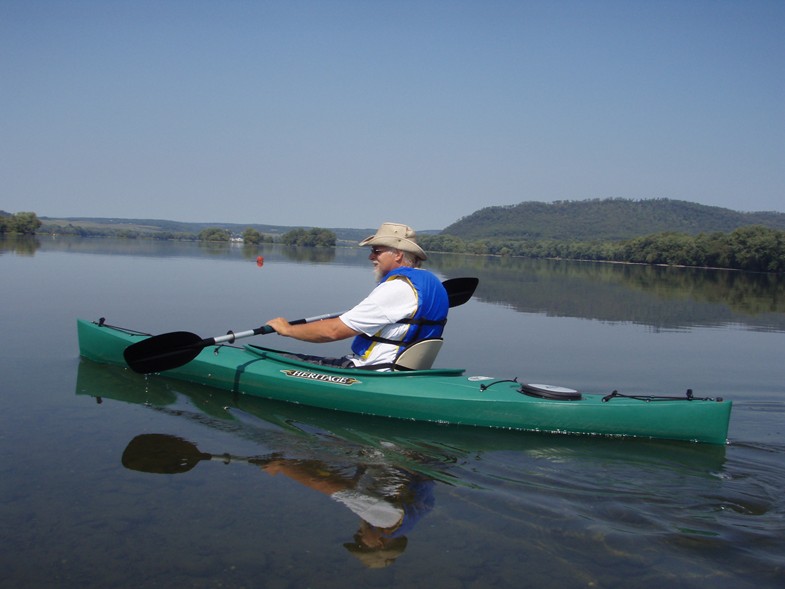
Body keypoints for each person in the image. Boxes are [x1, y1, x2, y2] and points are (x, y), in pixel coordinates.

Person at [265, 222, 449, 370]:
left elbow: (333, 332)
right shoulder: (432, 283)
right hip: (403, 373)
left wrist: (287, 329)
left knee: (278, 362)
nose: (371, 257)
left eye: (377, 251)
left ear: (398, 255)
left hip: (372, 373)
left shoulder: (396, 288)